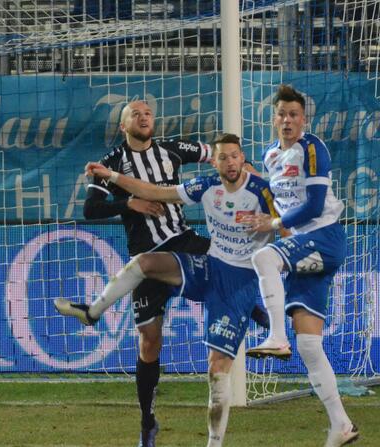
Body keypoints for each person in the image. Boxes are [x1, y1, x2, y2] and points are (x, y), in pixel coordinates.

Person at [55, 100, 266, 447]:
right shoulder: (112, 163)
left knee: (231, 266)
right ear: (124, 127)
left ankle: (259, 314)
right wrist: (128, 203)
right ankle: (147, 422)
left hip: (183, 241)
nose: (143, 117)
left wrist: (247, 172)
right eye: (135, 114)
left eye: (147, 112)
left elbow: (220, 156)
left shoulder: (171, 149)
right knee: (150, 342)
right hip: (146, 256)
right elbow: (91, 208)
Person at [243, 85, 358, 446]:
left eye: (294, 114)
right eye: (282, 114)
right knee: (309, 344)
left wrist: (274, 228)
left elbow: (314, 205)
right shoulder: (270, 155)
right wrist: (274, 222)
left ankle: (276, 337)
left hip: (325, 237)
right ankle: (341, 425)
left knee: (263, 258)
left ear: (303, 119)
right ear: (273, 118)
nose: (287, 120)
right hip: (306, 245)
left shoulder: (312, 148)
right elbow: (283, 208)